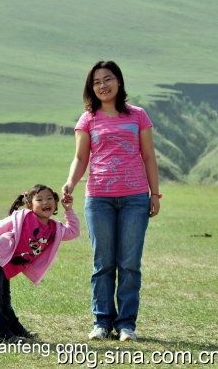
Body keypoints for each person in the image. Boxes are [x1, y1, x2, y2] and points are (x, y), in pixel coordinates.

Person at [62, 60, 160, 342]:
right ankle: (102, 322)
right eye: (96, 82)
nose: (102, 86)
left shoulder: (138, 116)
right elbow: (81, 158)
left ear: (119, 81)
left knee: (129, 263)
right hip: (99, 199)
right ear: (91, 88)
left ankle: (126, 324)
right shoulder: (88, 119)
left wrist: (155, 194)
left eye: (108, 79)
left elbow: (149, 156)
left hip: (134, 199)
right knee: (103, 263)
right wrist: (70, 182)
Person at [0, 185, 79, 342]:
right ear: (30, 204)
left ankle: (15, 330)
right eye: (40, 199)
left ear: (56, 203)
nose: (46, 202)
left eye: (50, 198)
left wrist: (68, 210)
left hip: (7, 263)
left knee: (4, 298)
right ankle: (2, 335)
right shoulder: (23, 218)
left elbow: (73, 232)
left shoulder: (54, 228)